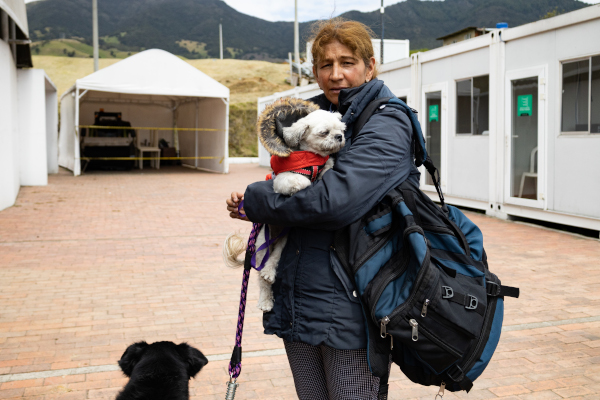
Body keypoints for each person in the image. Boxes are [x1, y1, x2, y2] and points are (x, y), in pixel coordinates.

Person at [226, 18, 420, 400]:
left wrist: (258, 198)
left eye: (347, 62)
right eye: (325, 65)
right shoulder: (312, 117)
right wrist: (258, 208)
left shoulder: (387, 120)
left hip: (353, 307)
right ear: (314, 71)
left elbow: (333, 203)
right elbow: (294, 186)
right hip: (300, 298)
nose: (336, 75)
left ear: (370, 65)